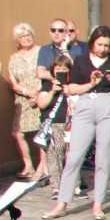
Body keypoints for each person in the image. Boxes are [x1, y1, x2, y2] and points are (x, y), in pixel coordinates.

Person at [43, 26, 110, 220]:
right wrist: (91, 83)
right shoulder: (81, 61)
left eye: (107, 45)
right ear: (92, 43)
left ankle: (98, 204)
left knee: (103, 158)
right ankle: (61, 203)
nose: (103, 48)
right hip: (85, 104)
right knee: (74, 156)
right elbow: (71, 89)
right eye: (99, 44)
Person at [36, 53, 76, 199]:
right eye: (58, 68)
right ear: (53, 69)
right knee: (55, 154)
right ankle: (56, 187)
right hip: (54, 123)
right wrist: (53, 90)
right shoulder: (47, 85)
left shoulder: (73, 84)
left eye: (64, 68)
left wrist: (69, 91)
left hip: (71, 122)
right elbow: (41, 103)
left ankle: (75, 186)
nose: (61, 70)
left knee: (73, 154)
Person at [8, 22, 44, 179]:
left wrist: (36, 93)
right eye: (22, 36)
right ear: (18, 40)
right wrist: (26, 92)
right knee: (17, 133)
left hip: (40, 95)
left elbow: (45, 72)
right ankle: (27, 165)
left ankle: (42, 168)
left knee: (41, 132)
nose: (26, 38)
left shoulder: (41, 51)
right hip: (22, 100)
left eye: (28, 35)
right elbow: (13, 81)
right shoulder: (14, 58)